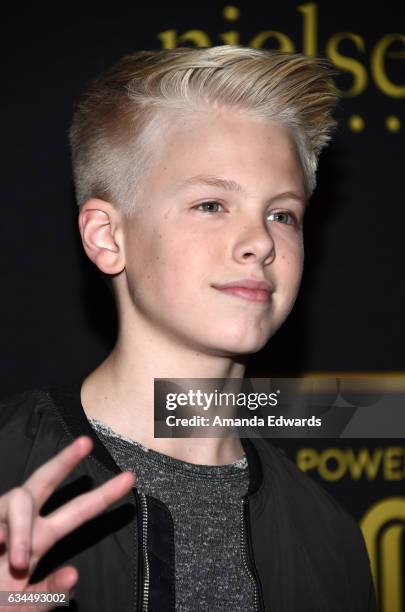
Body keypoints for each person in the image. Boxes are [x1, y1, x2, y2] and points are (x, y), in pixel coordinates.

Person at [0, 46, 376, 611]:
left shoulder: (330, 537)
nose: (261, 242)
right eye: (211, 204)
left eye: (282, 214)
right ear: (107, 237)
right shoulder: (8, 467)